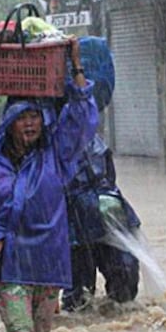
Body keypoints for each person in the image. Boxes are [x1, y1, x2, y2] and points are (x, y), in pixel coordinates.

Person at [0, 40, 97, 332]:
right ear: (8, 124)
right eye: (22, 117)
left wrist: (76, 66)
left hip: (48, 265)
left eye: (35, 116)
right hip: (8, 265)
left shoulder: (56, 156)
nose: (30, 123)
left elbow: (82, 119)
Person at [62, 133, 141, 311]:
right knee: (78, 292)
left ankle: (120, 314)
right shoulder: (49, 145)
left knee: (125, 275)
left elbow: (109, 176)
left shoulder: (95, 142)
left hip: (108, 214)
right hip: (73, 223)